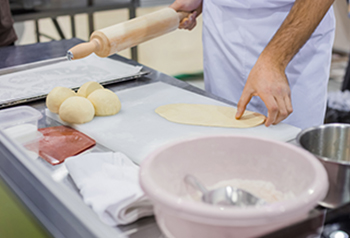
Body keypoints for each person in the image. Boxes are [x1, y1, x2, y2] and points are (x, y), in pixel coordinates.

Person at [170, 0, 335, 129]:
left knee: (288, 151)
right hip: (221, 26)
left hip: (291, 28)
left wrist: (274, 60)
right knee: (224, 142)